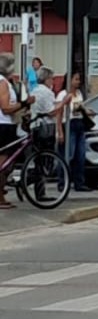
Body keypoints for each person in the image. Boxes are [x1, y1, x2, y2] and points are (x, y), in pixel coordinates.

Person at [0, 54, 33, 209]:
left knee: (8, 162)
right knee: (4, 163)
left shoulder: (6, 82)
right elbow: (6, 108)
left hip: (7, 124)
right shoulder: (3, 83)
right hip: (4, 125)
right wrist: (25, 103)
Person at [56, 72, 93, 193]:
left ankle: (79, 182)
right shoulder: (63, 94)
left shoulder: (78, 93)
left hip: (79, 123)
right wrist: (60, 131)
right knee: (68, 155)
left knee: (80, 155)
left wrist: (86, 112)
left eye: (79, 79)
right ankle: (62, 181)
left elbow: (80, 108)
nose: (78, 82)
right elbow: (59, 113)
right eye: (76, 79)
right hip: (69, 124)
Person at [30, 67, 64, 150]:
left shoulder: (34, 90)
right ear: (46, 79)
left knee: (37, 152)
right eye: (51, 79)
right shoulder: (48, 92)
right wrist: (63, 102)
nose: (53, 81)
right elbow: (51, 111)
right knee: (47, 153)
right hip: (46, 126)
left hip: (35, 124)